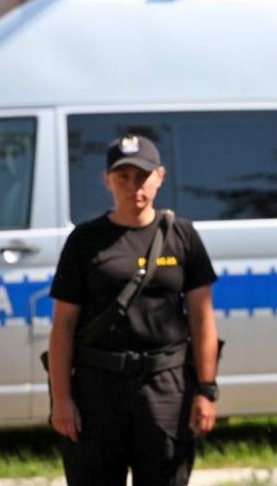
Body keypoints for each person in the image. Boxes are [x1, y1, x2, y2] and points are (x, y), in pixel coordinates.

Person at [48, 135, 220, 485]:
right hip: (97, 389)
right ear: (107, 180)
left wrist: (206, 390)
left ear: (160, 176)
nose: (133, 186)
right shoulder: (85, 240)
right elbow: (63, 325)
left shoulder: (182, 235)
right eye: (123, 176)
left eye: (142, 176)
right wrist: (62, 399)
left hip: (166, 386)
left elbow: (202, 318)